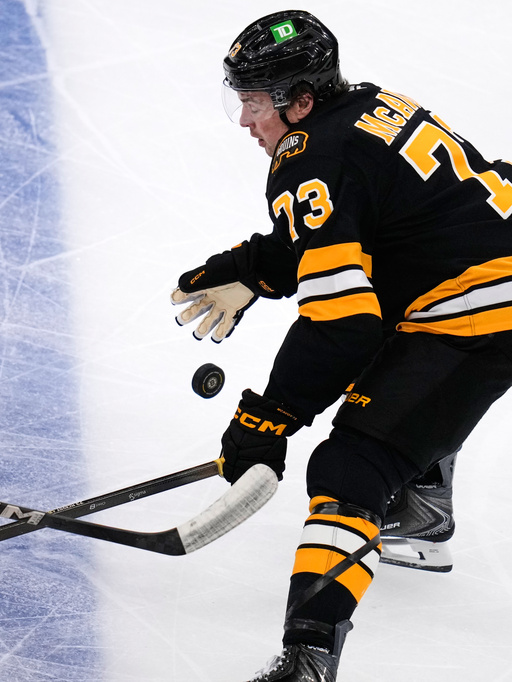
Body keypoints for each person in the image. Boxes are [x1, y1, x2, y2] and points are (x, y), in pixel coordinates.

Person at [171, 10, 512, 681]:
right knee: (400, 358)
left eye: (253, 104)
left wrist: (266, 419)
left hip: (485, 307)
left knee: (350, 469)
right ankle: (418, 503)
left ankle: (308, 660)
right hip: (488, 257)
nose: (246, 122)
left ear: (299, 101)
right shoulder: (368, 104)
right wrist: (257, 267)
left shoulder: (308, 158)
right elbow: (377, 227)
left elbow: (343, 325)